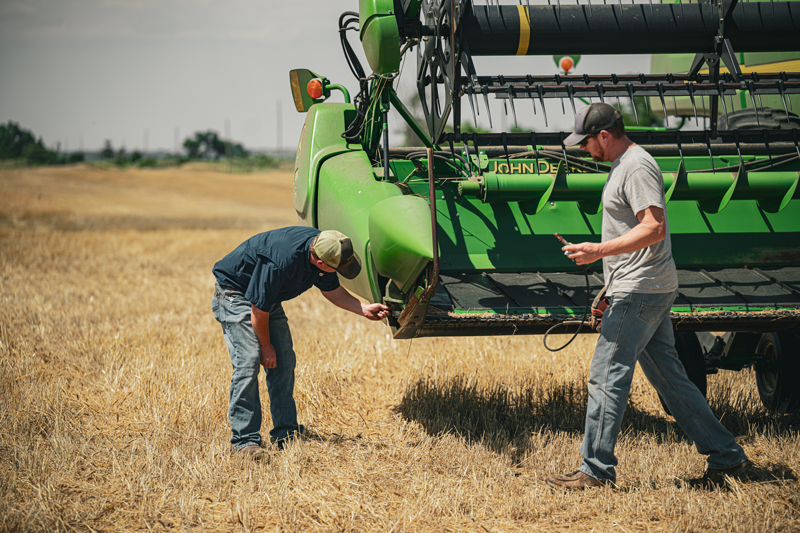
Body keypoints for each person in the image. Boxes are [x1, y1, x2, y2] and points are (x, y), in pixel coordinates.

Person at [545, 103, 751, 490]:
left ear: (604, 135)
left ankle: (595, 470)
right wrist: (608, 282)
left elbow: (654, 228)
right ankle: (727, 456)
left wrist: (598, 252)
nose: (585, 149)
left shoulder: (636, 166)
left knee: (606, 378)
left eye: (587, 142)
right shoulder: (623, 165)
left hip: (639, 290)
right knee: (672, 382)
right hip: (643, 286)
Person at [211, 227, 390, 459]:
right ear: (320, 262)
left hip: (266, 298)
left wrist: (364, 309)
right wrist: (266, 347)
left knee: (284, 360)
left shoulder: (326, 246)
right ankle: (245, 442)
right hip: (237, 294)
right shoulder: (279, 261)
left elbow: (332, 290)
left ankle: (286, 433)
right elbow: (258, 310)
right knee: (248, 362)